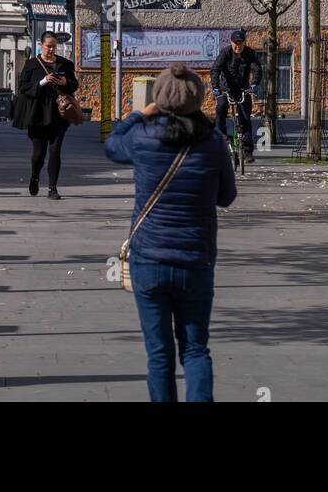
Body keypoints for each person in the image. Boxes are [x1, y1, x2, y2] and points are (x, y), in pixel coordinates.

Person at [104, 63, 237, 403]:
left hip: (149, 260)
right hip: (195, 259)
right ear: (198, 99)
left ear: (159, 99)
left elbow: (112, 146)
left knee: (159, 354)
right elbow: (226, 197)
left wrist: (138, 114)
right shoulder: (214, 143)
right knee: (195, 350)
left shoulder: (143, 137)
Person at [13, 31, 79, 200]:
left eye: (53, 47)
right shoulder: (31, 64)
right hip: (38, 114)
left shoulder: (65, 64)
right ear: (41, 45)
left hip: (59, 114)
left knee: (55, 150)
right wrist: (43, 82)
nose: (51, 50)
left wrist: (65, 82)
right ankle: (35, 176)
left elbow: (74, 85)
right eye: (48, 46)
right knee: (38, 154)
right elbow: (23, 88)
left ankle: (52, 188)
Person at [209, 30, 262, 161]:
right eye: (235, 43)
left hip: (242, 88)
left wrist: (254, 84)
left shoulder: (250, 53)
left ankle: (247, 152)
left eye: (240, 43)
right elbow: (215, 69)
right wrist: (215, 86)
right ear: (231, 42)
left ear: (244, 43)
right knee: (221, 108)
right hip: (225, 88)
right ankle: (222, 137)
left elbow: (257, 69)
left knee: (245, 118)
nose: (238, 46)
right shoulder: (225, 53)